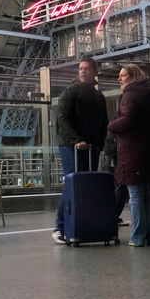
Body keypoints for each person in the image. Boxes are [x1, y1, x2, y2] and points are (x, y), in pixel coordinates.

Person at [52, 58, 109, 244]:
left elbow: (103, 122)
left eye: (87, 69)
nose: (83, 72)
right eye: (80, 69)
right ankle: (60, 226)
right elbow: (63, 119)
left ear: (94, 72)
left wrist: (99, 143)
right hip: (71, 146)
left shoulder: (99, 96)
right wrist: (77, 140)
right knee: (72, 182)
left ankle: (83, 223)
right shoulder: (70, 93)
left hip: (91, 147)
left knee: (87, 185)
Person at [106, 64, 150, 247]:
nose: (119, 79)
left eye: (122, 75)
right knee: (148, 196)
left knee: (136, 196)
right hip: (148, 150)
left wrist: (111, 125)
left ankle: (138, 237)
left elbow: (128, 120)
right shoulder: (149, 95)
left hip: (132, 152)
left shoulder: (129, 95)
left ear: (132, 76)